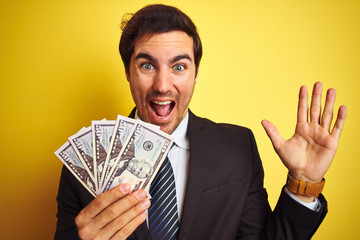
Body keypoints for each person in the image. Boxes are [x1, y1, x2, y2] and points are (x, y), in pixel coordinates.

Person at [54, 4, 347, 240]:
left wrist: (303, 184)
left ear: (195, 74)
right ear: (128, 72)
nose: (163, 85)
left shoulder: (238, 147)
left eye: (179, 66)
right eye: (147, 65)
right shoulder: (86, 163)